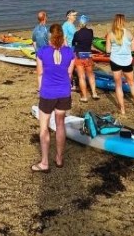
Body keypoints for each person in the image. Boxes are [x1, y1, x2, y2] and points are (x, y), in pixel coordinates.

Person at [33, 22, 76, 172]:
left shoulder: (42, 52)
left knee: (44, 127)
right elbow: (69, 74)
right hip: (64, 92)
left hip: (48, 93)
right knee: (60, 125)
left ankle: (44, 162)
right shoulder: (70, 52)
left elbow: (40, 74)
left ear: (49, 36)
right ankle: (59, 158)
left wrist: (40, 90)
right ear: (62, 36)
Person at [105, 13, 134, 115]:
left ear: (115, 21)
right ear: (124, 21)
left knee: (118, 85)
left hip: (115, 61)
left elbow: (108, 50)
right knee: (131, 83)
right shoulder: (129, 34)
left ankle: (122, 110)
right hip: (127, 61)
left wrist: (115, 49)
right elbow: (133, 49)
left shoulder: (110, 34)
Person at [71, 14, 99, 102]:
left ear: (79, 23)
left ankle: (84, 97)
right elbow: (91, 40)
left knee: (81, 77)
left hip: (79, 56)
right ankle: (94, 93)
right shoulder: (90, 31)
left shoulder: (77, 33)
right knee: (90, 75)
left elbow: (73, 43)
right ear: (86, 23)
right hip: (88, 55)